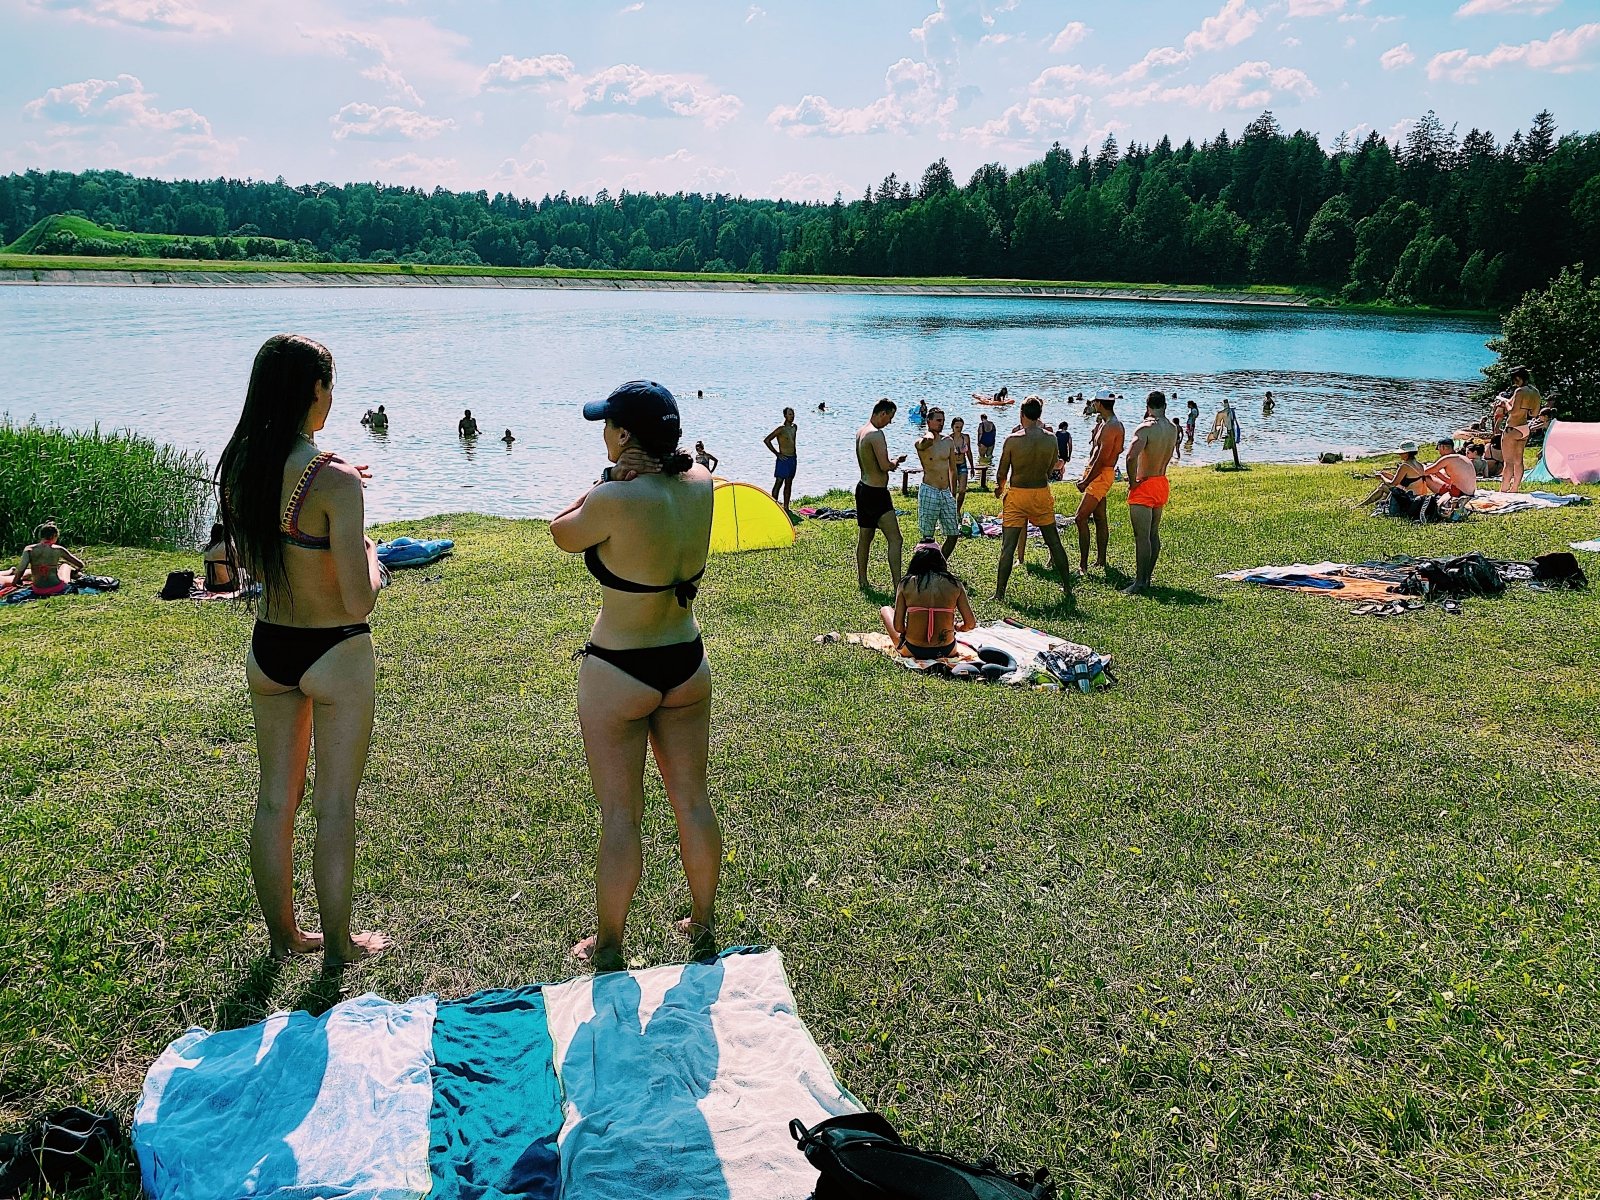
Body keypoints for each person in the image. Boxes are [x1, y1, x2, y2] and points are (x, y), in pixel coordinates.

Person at [216, 334, 385, 970]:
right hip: (334, 650)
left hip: (270, 647)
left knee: (273, 801)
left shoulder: (240, 464)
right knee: (334, 805)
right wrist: (374, 557)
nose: (333, 398)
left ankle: (284, 936)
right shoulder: (334, 480)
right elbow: (356, 599)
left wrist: (342, 483)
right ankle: (339, 947)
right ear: (314, 391)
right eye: (329, 386)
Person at [550, 380, 719, 973]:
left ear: (623, 437)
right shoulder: (702, 484)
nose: (602, 433)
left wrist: (604, 480)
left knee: (621, 815)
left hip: (619, 666)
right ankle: (702, 921)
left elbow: (561, 531)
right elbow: (684, 470)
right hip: (685, 658)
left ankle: (610, 942)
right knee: (692, 802)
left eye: (607, 427)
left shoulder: (613, 500)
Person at [995, 397, 1072, 601]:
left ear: (1021, 413)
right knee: (1054, 542)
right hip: (1040, 492)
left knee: (1008, 546)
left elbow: (1002, 472)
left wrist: (999, 488)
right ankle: (1067, 587)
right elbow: (1050, 469)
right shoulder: (1051, 438)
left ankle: (1000, 593)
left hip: (1018, 494)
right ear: (1040, 414)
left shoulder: (1013, 440)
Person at [1123, 392, 1180, 595]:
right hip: (1161, 482)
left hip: (1145, 484)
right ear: (1165, 406)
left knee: (1141, 537)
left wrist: (1132, 482)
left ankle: (1139, 582)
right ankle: (1147, 577)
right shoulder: (1172, 429)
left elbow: (1130, 457)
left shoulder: (1146, 428)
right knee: (1153, 534)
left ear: (1147, 406)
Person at [878, 543, 975, 659]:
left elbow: (898, 627)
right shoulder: (955, 584)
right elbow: (970, 624)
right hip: (947, 650)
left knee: (885, 610)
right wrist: (957, 627)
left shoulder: (906, 584)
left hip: (912, 649)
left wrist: (913, 629)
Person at [855, 399, 907, 590]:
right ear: (883, 413)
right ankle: (898, 586)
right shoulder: (876, 435)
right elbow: (884, 466)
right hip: (876, 494)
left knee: (865, 537)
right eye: (890, 418)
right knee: (896, 539)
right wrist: (896, 462)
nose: (890, 422)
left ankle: (863, 580)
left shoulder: (861, 432)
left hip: (863, 488)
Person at [1073, 393, 1124, 575]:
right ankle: (1101, 560)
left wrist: (1086, 481)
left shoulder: (1111, 426)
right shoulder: (1105, 423)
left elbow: (1102, 459)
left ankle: (1083, 566)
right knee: (1100, 517)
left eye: (1095, 401)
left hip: (1101, 475)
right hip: (1097, 473)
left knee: (1080, 518)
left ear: (1100, 403)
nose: (1093, 404)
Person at [914, 407, 961, 559]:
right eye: (938, 420)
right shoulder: (922, 442)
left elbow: (953, 469)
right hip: (930, 490)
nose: (941, 423)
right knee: (928, 536)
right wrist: (929, 432)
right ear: (929, 421)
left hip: (945, 491)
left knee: (953, 533)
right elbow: (924, 442)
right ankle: (926, 568)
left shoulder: (948, 441)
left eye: (943, 420)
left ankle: (940, 564)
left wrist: (953, 492)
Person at [11, 521, 85, 596]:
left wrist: (14, 582)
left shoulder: (29, 549)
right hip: (57, 588)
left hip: (38, 589)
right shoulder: (58, 549)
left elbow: (21, 569)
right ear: (54, 535)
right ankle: (79, 575)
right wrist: (77, 570)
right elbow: (80, 564)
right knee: (65, 566)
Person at [1498, 366, 1542, 492]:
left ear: (1518, 378)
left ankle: (1504, 489)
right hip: (1524, 428)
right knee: (1519, 460)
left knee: (1508, 462)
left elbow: (1513, 411)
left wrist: (1504, 402)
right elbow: (1534, 413)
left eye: (1514, 380)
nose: (1514, 383)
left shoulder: (1520, 391)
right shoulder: (1535, 392)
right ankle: (1515, 488)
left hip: (1512, 428)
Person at [764, 407, 798, 513]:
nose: (791, 416)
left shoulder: (794, 427)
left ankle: (786, 507)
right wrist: (777, 454)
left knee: (789, 483)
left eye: (792, 414)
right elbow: (767, 440)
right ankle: (774, 505)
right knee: (779, 482)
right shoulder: (781, 429)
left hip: (792, 459)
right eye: (789, 414)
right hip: (783, 459)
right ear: (785, 416)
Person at [202, 521, 241, 593]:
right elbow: (237, 565)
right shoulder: (227, 546)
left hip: (209, 586)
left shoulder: (207, 547)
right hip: (227, 585)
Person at [949, 416, 974, 515]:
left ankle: (957, 511)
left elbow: (969, 452)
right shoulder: (949, 439)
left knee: (962, 490)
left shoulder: (966, 437)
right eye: (957, 427)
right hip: (952, 466)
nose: (959, 429)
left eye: (961, 427)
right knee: (953, 492)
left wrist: (972, 466)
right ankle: (951, 511)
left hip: (962, 464)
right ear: (952, 427)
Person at [1209, 399, 1242, 468]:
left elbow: (1218, 425)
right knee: (1233, 447)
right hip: (1230, 431)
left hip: (1231, 431)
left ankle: (1237, 463)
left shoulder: (1227, 412)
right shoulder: (1228, 412)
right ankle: (1237, 463)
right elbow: (1218, 425)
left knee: (1234, 447)